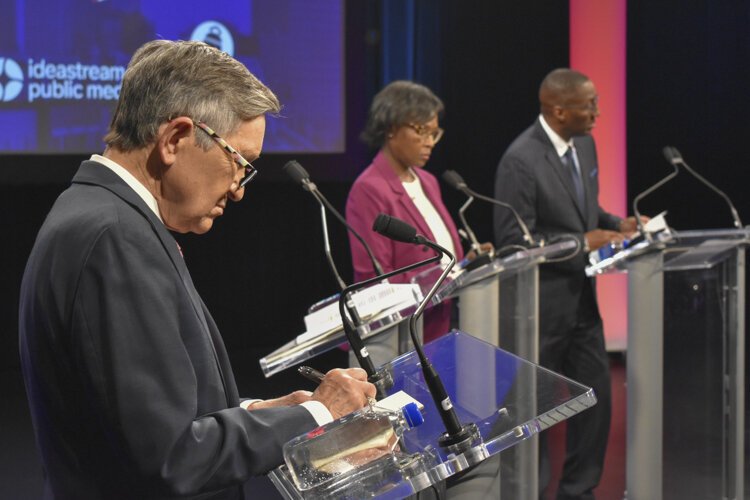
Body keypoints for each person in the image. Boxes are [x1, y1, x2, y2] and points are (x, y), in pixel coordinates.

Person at [18, 40, 376, 500]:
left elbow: (148, 420)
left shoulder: (97, 212)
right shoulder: (115, 235)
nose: (239, 189)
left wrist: (263, 413)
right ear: (174, 140)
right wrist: (319, 414)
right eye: (240, 163)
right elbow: (171, 457)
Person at [493, 68, 643, 500]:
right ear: (559, 111)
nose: (597, 112)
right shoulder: (520, 160)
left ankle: (578, 491)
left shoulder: (584, 144)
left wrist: (619, 224)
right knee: (534, 410)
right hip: (539, 311)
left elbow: (584, 209)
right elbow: (512, 243)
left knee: (597, 402)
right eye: (589, 104)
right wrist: (580, 242)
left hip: (582, 305)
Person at [345, 81, 491, 366]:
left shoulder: (428, 181)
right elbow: (375, 280)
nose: (429, 142)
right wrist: (436, 282)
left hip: (442, 328)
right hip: (403, 341)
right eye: (421, 131)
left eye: (434, 133)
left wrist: (466, 264)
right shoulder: (369, 189)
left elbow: (440, 259)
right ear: (390, 128)